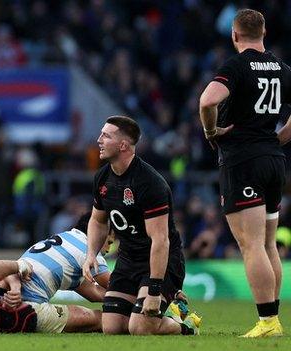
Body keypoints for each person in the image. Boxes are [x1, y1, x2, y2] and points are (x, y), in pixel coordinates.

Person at [199, 9, 289, 337]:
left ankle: (267, 321)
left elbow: (207, 101)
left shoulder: (236, 66)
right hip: (273, 160)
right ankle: (273, 318)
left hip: (243, 162)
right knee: (266, 244)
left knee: (251, 246)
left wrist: (211, 132)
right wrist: (276, 140)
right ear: (263, 33)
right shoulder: (282, 69)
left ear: (234, 35)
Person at [82, 116, 201, 336]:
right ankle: (162, 310)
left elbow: (160, 240)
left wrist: (155, 290)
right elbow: (98, 220)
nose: (98, 139)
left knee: (139, 328)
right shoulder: (102, 178)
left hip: (162, 262)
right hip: (128, 260)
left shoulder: (149, 183)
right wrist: (91, 255)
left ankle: (184, 324)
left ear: (123, 145)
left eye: (106, 136)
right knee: (112, 328)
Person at [0, 213, 112, 333]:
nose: (108, 250)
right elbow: (118, 287)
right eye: (109, 242)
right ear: (102, 231)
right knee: (104, 319)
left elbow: (94, 293)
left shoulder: (65, 243)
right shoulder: (87, 249)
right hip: (26, 309)